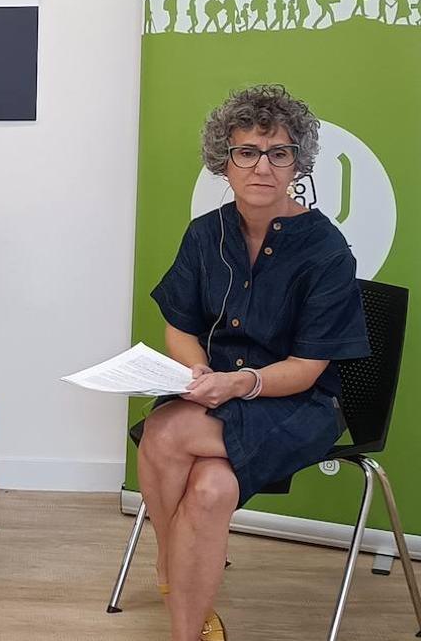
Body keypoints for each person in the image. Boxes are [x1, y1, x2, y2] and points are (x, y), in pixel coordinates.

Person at [139, 85, 369, 641]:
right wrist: (197, 371)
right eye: (247, 152)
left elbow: (310, 367)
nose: (262, 166)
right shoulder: (206, 233)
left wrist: (239, 383)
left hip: (297, 403)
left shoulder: (326, 251)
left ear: (297, 163)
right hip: (214, 391)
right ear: (225, 162)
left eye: (278, 153)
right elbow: (180, 323)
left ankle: (169, 569)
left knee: (163, 434)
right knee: (212, 490)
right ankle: (187, 630)